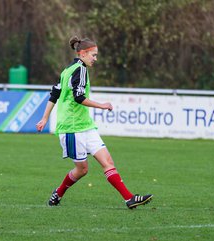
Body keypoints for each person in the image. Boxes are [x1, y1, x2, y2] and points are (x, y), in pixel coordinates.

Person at [36, 36, 153, 209]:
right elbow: (77, 97)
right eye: (93, 55)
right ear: (83, 53)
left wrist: (45, 117)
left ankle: (129, 198)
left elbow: (55, 93)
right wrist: (102, 105)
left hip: (86, 126)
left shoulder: (68, 69)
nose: (95, 59)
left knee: (108, 162)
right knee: (82, 170)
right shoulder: (79, 70)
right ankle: (58, 193)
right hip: (71, 129)